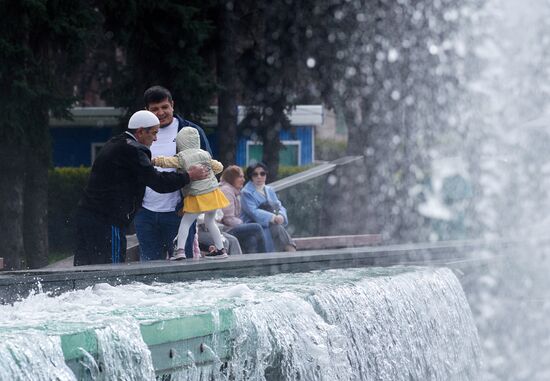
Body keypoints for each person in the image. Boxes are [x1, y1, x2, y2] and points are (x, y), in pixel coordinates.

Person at [73, 110, 209, 266]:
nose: (156, 138)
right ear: (140, 132)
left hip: (86, 215)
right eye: (153, 133)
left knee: (83, 268)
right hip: (108, 220)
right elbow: (158, 181)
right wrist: (188, 176)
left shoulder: (115, 143)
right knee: (111, 271)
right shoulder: (134, 150)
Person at [134, 85, 212, 261]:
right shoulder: (138, 135)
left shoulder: (191, 132)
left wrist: (191, 205)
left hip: (179, 213)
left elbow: (208, 170)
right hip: (144, 213)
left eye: (164, 107)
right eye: (154, 109)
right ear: (146, 111)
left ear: (172, 105)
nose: (160, 112)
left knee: (184, 273)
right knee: (147, 272)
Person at [153, 127, 229, 259]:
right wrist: (210, 174)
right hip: (213, 192)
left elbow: (167, 162)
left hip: (197, 194)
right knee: (210, 221)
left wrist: (154, 161)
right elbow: (219, 167)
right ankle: (221, 250)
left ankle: (180, 251)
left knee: (186, 223)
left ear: (181, 143)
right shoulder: (205, 154)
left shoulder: (182, 157)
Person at [241, 162, 296, 252]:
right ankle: (291, 253)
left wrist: (280, 216)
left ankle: (291, 253)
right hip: (254, 225)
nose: (259, 177)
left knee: (278, 228)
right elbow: (253, 212)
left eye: (262, 174)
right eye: (255, 174)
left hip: (271, 224)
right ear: (251, 176)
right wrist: (273, 217)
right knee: (277, 228)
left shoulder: (269, 189)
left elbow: (277, 206)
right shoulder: (246, 192)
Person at [218, 165, 268, 254]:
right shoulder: (227, 191)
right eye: (240, 177)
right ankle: (264, 258)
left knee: (251, 239)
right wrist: (242, 223)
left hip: (230, 228)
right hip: (225, 230)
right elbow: (228, 219)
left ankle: (253, 265)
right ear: (231, 178)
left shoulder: (233, 191)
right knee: (257, 227)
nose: (243, 180)